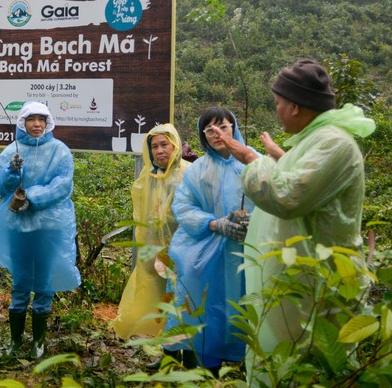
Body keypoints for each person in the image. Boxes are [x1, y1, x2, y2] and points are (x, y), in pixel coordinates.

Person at [213, 59, 375, 382]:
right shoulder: (317, 141)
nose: (276, 111)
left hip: (321, 281)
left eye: (278, 104)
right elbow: (300, 179)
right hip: (302, 279)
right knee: (290, 361)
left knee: (313, 364)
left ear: (296, 107)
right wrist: (273, 155)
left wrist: (247, 157)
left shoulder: (334, 143)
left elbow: (286, 195)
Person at [164, 107, 257, 371]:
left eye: (223, 127)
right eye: (210, 130)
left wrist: (255, 221)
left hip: (246, 248)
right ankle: (205, 366)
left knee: (241, 303)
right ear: (203, 136)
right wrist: (215, 223)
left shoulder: (253, 162)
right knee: (203, 305)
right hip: (204, 246)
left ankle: (243, 361)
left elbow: (274, 195)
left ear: (234, 127)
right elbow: (182, 206)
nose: (218, 134)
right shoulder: (198, 170)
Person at [0, 101, 80, 359]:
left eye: (42, 119)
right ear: (23, 123)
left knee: (43, 282)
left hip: (48, 227)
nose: (37, 124)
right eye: (31, 119)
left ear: (48, 122)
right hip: (18, 227)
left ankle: (38, 341)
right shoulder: (11, 152)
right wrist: (11, 171)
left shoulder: (60, 151)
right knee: (20, 282)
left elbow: (63, 185)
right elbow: (0, 186)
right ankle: (15, 341)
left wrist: (32, 197)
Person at [111, 123, 191, 341]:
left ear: (174, 145)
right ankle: (165, 350)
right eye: (154, 146)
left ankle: (183, 354)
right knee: (158, 300)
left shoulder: (187, 173)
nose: (159, 150)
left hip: (182, 249)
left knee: (181, 299)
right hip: (154, 250)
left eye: (164, 144)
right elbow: (143, 213)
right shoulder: (148, 175)